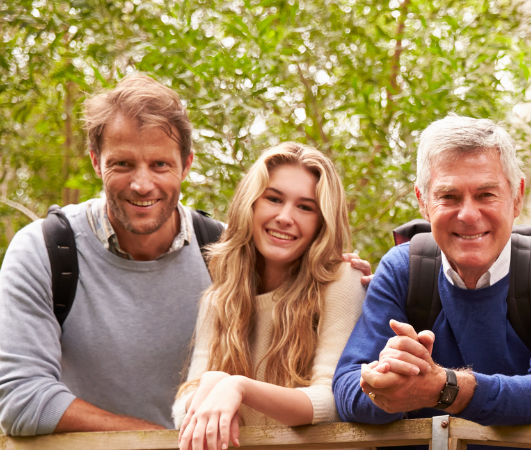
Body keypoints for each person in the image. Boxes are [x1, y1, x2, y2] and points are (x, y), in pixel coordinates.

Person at [332, 116, 531, 436]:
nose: (469, 215)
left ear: (517, 196)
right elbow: (346, 386)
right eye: (449, 196)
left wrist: (444, 389)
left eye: (486, 195)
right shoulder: (403, 270)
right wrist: (389, 384)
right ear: (423, 203)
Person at [0, 74, 218, 435]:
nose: (142, 184)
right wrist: (154, 441)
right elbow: (21, 398)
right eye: (123, 164)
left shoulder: (225, 252)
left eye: (160, 164)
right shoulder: (44, 251)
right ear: (96, 162)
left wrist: (340, 269)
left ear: (187, 164)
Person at [171, 143, 365, 450]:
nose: (285, 217)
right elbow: (183, 409)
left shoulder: (341, 281)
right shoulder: (219, 298)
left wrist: (238, 388)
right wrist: (210, 388)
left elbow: (332, 402)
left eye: (305, 207)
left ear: (321, 222)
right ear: (250, 204)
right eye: (273, 199)